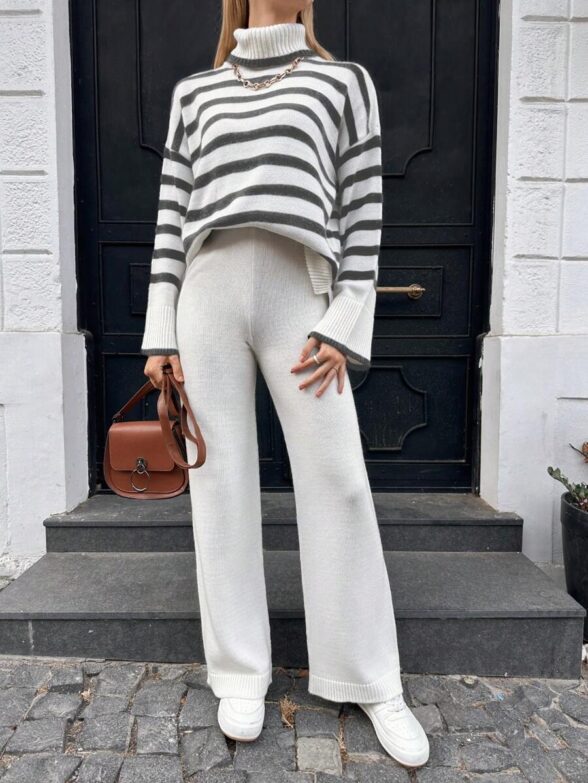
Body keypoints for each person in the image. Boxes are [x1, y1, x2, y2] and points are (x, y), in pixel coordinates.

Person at [141, 0, 429, 769]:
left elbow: (364, 207)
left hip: (302, 296)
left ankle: (371, 677)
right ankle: (239, 672)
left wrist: (347, 316)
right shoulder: (195, 93)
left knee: (339, 481)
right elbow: (171, 217)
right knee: (220, 483)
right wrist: (161, 328)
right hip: (207, 293)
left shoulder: (342, 82)